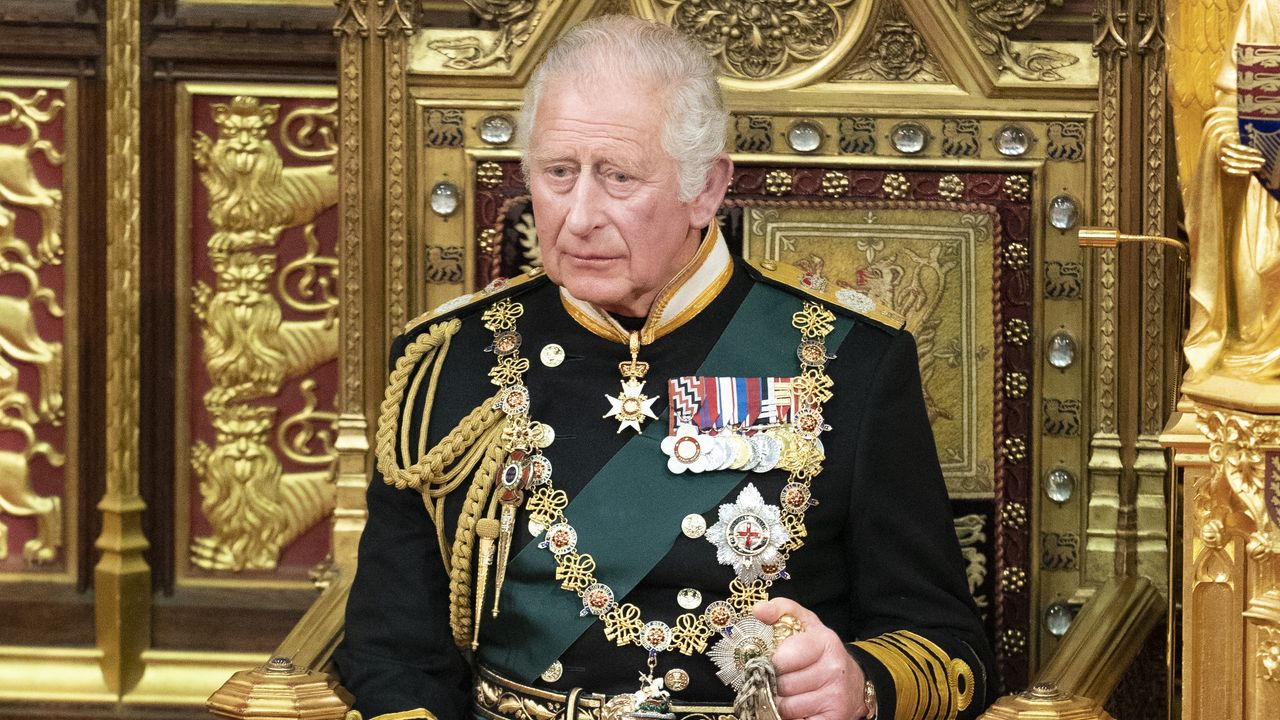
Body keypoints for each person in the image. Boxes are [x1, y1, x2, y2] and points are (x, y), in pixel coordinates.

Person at [335, 15, 994, 720]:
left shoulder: (849, 359)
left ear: (705, 188)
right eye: (558, 173)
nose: (579, 215)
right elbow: (392, 650)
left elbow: (948, 646)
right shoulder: (449, 360)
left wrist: (859, 683)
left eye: (618, 177)